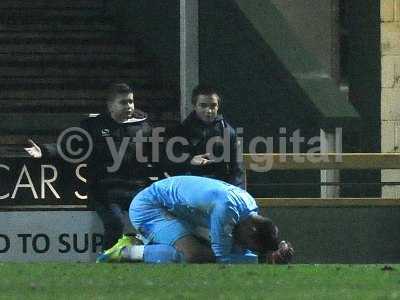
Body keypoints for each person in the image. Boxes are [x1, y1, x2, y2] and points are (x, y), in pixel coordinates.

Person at [25, 83, 157, 250]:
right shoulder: (93, 126)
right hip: (104, 189)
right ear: (110, 106)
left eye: (131, 101)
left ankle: (154, 255)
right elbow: (72, 144)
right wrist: (45, 151)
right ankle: (107, 260)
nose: (129, 106)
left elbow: (161, 152)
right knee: (115, 221)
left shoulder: (144, 127)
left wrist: (187, 159)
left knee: (154, 217)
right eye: (123, 102)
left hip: (136, 187)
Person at [96, 176, 294, 264]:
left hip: (176, 210)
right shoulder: (226, 210)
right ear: (252, 230)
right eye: (248, 243)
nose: (244, 245)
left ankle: (139, 242)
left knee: (218, 251)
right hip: (149, 207)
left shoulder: (249, 207)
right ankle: (126, 252)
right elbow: (223, 258)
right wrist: (261, 260)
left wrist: (272, 251)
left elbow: (238, 249)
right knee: (194, 255)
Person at [166, 84, 244, 188]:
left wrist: (238, 193)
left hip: (219, 188)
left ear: (218, 106)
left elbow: (237, 169)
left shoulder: (228, 132)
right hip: (190, 187)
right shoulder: (180, 131)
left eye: (213, 106)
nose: (209, 111)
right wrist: (189, 161)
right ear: (194, 106)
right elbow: (168, 165)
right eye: (203, 105)